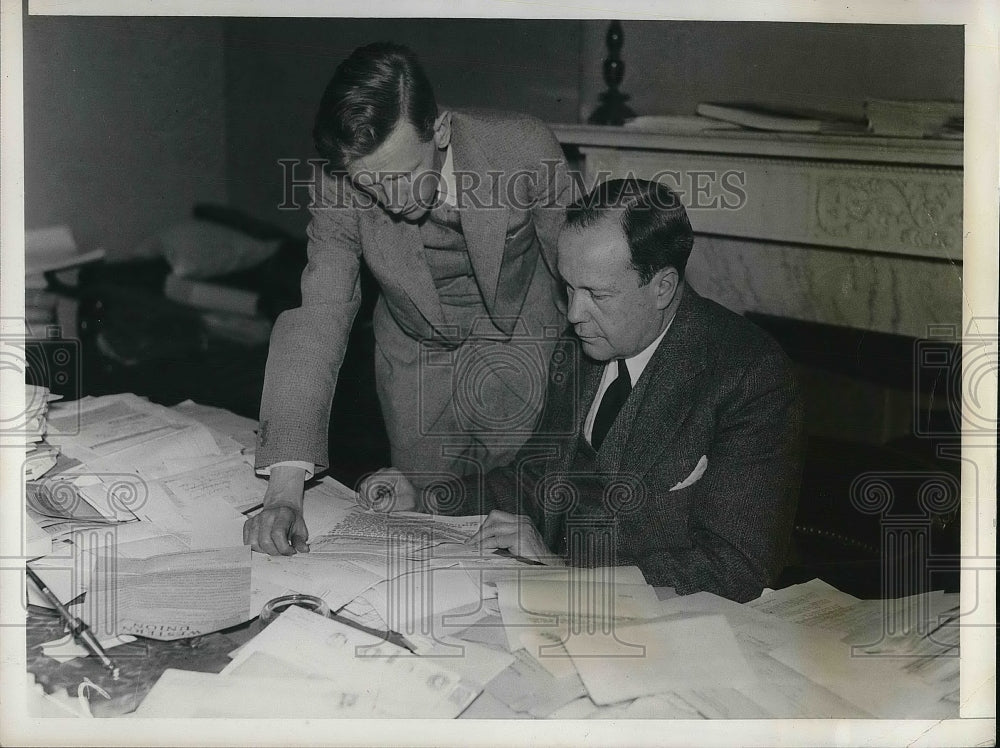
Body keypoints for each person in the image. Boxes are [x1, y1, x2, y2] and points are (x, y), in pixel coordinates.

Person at [358, 178, 804, 603]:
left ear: (663, 287)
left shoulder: (748, 374)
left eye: (596, 294)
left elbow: (737, 566)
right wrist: (425, 498)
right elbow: (534, 480)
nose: (573, 314)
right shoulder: (579, 349)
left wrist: (563, 574)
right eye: (569, 288)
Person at [245, 42, 569, 556]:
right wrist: (284, 490)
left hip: (521, 343)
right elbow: (319, 316)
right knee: (424, 532)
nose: (391, 202)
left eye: (401, 177)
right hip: (415, 356)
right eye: (371, 188)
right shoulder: (338, 183)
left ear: (439, 130)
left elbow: (578, 273)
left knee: (520, 525)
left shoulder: (523, 149)